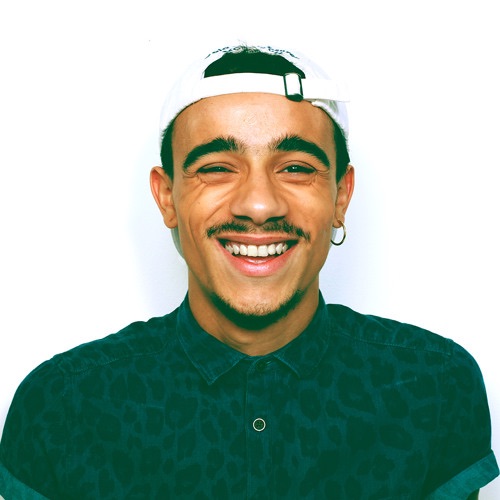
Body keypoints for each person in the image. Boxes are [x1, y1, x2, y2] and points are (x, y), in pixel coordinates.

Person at [0, 43, 498, 500]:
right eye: (217, 168)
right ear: (167, 196)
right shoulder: (62, 405)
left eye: (296, 168)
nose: (259, 205)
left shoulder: (431, 387)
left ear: (340, 196)